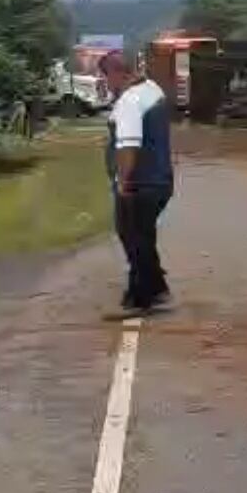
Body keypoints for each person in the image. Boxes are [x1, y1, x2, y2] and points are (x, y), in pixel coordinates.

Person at [99, 52, 175, 314]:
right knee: (141, 234)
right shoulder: (151, 89)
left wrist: (123, 180)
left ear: (118, 73)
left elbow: (128, 146)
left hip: (141, 183)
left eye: (106, 76)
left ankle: (143, 296)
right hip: (160, 180)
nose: (106, 83)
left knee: (132, 235)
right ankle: (151, 289)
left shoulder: (130, 101)